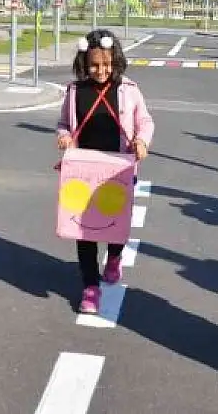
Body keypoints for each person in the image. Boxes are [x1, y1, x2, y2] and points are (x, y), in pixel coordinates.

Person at [56, 29, 153, 315]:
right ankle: (90, 286)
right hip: (82, 170)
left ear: (116, 61)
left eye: (107, 65)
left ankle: (114, 257)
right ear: (85, 64)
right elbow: (63, 123)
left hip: (118, 170)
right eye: (95, 65)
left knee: (114, 222)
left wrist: (141, 141)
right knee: (82, 230)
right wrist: (64, 136)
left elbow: (145, 121)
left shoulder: (129, 90)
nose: (101, 71)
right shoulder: (75, 92)